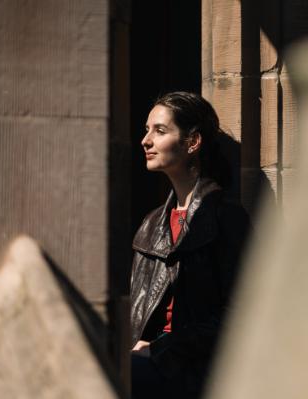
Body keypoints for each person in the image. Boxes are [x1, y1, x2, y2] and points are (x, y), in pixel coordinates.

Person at [130, 92, 250, 399]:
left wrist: (163, 348)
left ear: (192, 142)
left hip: (196, 371)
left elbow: (240, 314)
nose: (145, 140)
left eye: (159, 130)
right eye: (147, 130)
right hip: (148, 364)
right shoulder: (150, 224)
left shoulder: (227, 218)